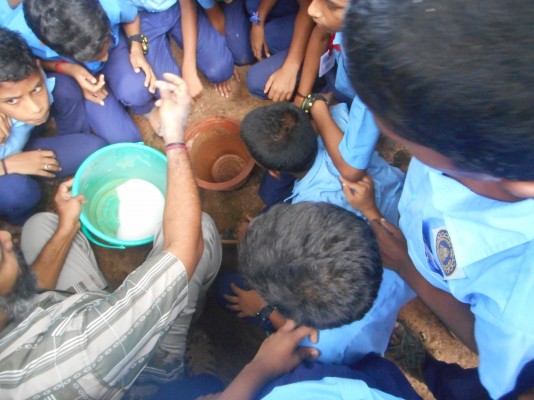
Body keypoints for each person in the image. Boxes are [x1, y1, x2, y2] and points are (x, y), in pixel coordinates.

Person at [342, 0, 534, 398]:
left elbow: (487, 344)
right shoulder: (480, 147)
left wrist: (409, 268)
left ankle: (432, 371)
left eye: (394, 128)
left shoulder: (520, 309)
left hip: (495, 359)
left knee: (464, 388)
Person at [0, 74, 222, 399]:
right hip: (116, 358)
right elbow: (183, 249)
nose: (7, 237)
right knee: (198, 229)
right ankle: (167, 363)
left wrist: (67, 227)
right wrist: (174, 138)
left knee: (38, 227)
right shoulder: (76, 359)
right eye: (2, 253)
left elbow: (29, 300)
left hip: (60, 315)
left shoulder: (10, 316)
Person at [6, 0, 157, 142]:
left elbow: (132, 17)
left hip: (115, 50)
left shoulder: (108, 6)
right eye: (93, 56)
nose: (104, 58)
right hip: (73, 73)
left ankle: (147, 110)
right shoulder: (20, 35)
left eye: (105, 40)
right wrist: (70, 69)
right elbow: (34, 65)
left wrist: (136, 48)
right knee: (123, 138)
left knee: (138, 90)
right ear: (44, 43)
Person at [0, 27, 106, 225]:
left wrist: (69, 70)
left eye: (36, 89)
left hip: (25, 141)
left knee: (65, 89)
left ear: (38, 68)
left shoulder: (28, 75)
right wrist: (6, 166)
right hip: (6, 170)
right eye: (12, 101)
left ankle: (63, 149)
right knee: (17, 192)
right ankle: (23, 220)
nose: (35, 108)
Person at [294, 0, 379, 184]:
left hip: (364, 95)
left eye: (332, 6)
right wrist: (301, 96)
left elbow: (352, 171)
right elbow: (320, 34)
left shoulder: (375, 73)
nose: (311, 9)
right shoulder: (349, 23)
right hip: (345, 86)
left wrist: (316, 106)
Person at [245, 0, 314, 102]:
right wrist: (257, 22)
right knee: (252, 4)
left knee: (255, 80)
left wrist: (291, 67)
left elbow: (308, 8)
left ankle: (317, 83)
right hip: (310, 17)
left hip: (321, 30)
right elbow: (254, 10)